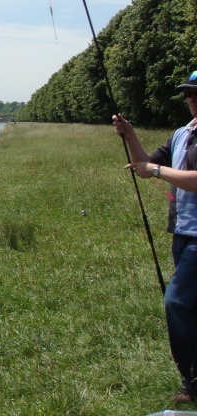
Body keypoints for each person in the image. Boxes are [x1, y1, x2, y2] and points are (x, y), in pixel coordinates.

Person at [113, 70, 197, 405]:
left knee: (175, 302)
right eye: (189, 94)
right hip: (181, 233)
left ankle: (188, 381)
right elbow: (145, 164)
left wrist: (158, 172)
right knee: (189, 307)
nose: (192, 99)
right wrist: (130, 134)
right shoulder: (182, 134)